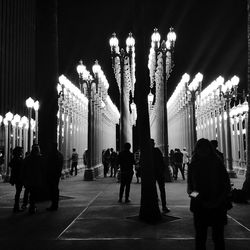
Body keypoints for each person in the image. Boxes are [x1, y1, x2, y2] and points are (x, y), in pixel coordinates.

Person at [187, 138, 232, 250]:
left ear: (209, 149)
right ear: (196, 150)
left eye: (205, 147)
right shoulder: (193, 166)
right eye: (200, 148)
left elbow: (226, 186)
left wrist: (216, 201)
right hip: (202, 206)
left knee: (217, 237)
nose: (202, 150)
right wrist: (200, 199)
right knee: (201, 238)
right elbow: (189, 189)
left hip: (216, 205)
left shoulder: (217, 164)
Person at [23, 144, 44, 214]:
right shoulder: (40, 158)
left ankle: (28, 205)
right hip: (37, 178)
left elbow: (24, 168)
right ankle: (32, 206)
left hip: (29, 178)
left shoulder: (28, 158)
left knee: (29, 191)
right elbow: (43, 169)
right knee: (34, 193)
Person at [150, 139, 170, 214]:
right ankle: (164, 206)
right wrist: (163, 171)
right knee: (162, 189)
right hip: (159, 173)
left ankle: (154, 205)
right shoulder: (157, 151)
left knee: (153, 189)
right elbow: (162, 161)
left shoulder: (147, 152)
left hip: (151, 173)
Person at [46, 142, 64, 211]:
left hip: (52, 174)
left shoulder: (52, 155)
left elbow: (49, 165)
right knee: (55, 189)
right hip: (56, 174)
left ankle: (54, 204)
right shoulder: (60, 154)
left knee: (53, 189)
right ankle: (55, 204)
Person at [9, 146, 24, 212]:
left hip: (16, 177)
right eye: (21, 151)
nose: (22, 152)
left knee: (18, 191)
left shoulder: (14, 159)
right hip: (19, 177)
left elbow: (11, 165)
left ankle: (16, 206)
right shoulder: (18, 159)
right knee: (18, 192)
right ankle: (16, 207)